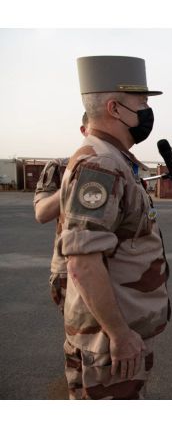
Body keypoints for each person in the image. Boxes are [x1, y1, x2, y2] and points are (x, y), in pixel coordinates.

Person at [59, 55, 170, 399]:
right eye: (141, 102)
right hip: (108, 344)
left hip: (113, 335)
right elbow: (83, 262)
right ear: (115, 108)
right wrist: (119, 334)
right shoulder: (102, 165)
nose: (147, 110)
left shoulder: (114, 158)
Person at [34, 113, 90, 319]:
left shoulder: (120, 166)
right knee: (80, 336)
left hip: (112, 267)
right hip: (70, 266)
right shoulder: (59, 167)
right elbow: (41, 213)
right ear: (84, 131)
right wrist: (72, 181)